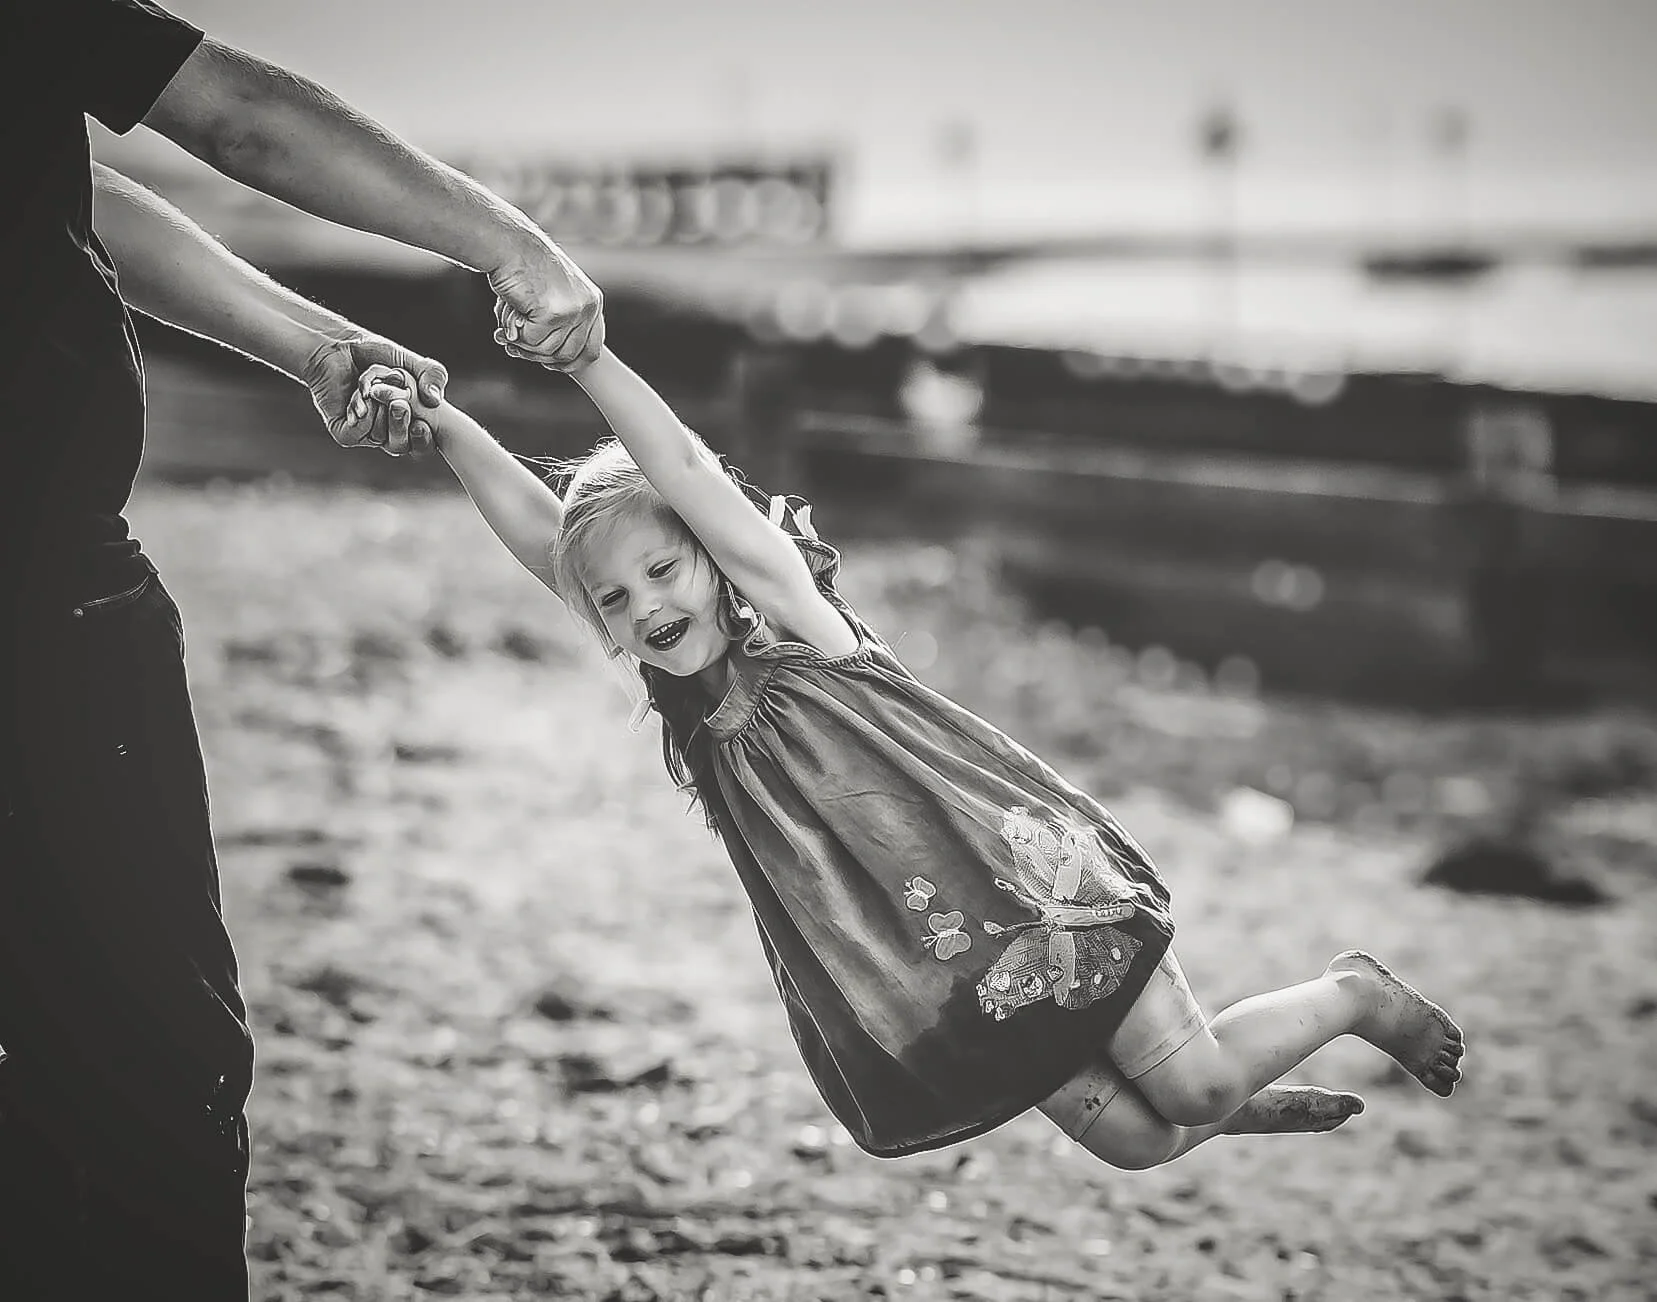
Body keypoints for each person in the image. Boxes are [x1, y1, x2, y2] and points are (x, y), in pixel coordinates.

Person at [352, 342, 1466, 1174]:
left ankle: (1347, 997)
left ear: (721, 558)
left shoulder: (795, 624)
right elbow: (538, 535)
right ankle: (1222, 1089)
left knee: (1195, 1082)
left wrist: (587, 358)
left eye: (664, 571)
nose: (642, 606)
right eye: (614, 596)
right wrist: (447, 426)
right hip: (938, 963)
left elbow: (685, 472)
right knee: (1138, 1141)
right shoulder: (683, 703)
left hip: (1029, 897)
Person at [1, 2, 599, 1297]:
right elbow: (234, 111)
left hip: (53, 591)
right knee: (140, 1073)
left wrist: (313, 343)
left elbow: (61, 187)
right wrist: (508, 243)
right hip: (38, 609)